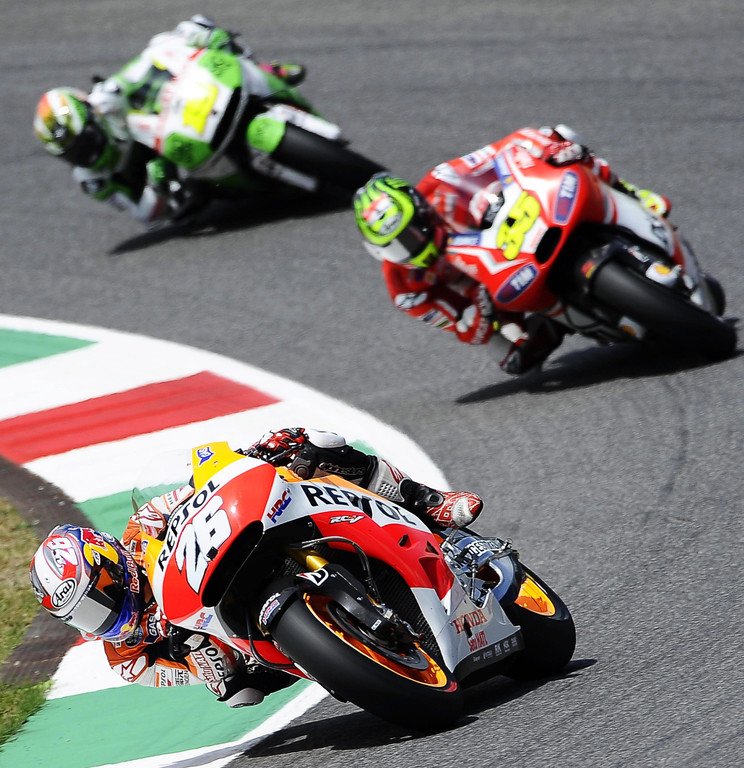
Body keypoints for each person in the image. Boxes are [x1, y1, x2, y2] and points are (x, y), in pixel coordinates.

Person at [29, 427, 482, 707]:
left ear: (112, 566)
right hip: (250, 641)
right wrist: (205, 663)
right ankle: (367, 658)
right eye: (85, 618)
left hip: (243, 549)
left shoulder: (144, 526)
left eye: (98, 602)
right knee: (239, 693)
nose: (104, 620)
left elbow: (204, 492)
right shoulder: (128, 659)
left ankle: (427, 502)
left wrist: (256, 457)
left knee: (308, 447)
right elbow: (221, 686)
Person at [353, 125, 673, 375]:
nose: (410, 248)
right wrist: (480, 309)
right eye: (395, 246)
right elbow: (467, 329)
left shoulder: (442, 180)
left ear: (420, 208)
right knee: (512, 360)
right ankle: (557, 321)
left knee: (563, 137)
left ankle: (631, 193)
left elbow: (506, 147)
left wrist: (548, 148)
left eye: (410, 234)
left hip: (508, 234)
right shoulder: (405, 290)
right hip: (488, 291)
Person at [32, 15, 308, 225]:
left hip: (180, 120)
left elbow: (153, 56)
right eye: (74, 155)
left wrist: (193, 35)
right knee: (191, 204)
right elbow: (143, 214)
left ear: (93, 115)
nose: (87, 154)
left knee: (203, 31)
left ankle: (264, 70)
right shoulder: (92, 180)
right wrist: (157, 188)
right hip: (178, 175)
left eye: (86, 142)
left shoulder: (109, 96)